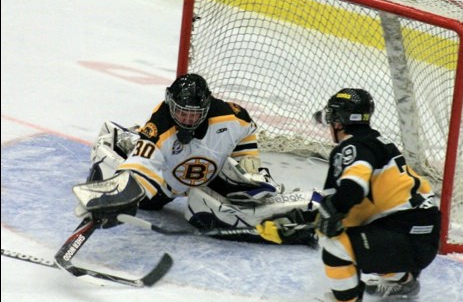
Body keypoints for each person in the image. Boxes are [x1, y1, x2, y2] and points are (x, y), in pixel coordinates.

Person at [257, 88, 441, 302]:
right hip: (421, 235)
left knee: (333, 240)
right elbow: (344, 204)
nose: (329, 123)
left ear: (341, 121)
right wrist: (300, 219)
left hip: (404, 236)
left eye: (332, 117)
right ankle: (403, 280)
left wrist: (318, 223)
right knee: (349, 229)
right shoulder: (377, 143)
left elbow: (352, 188)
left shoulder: (351, 148)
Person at [74, 73, 317, 245]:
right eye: (181, 112)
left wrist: (247, 159)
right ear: (171, 104)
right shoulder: (159, 128)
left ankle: (304, 209)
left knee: (223, 210)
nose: (187, 120)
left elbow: (247, 131)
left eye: (194, 114)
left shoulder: (230, 116)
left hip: (209, 175)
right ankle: (127, 139)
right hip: (165, 181)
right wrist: (113, 199)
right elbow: (140, 167)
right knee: (143, 200)